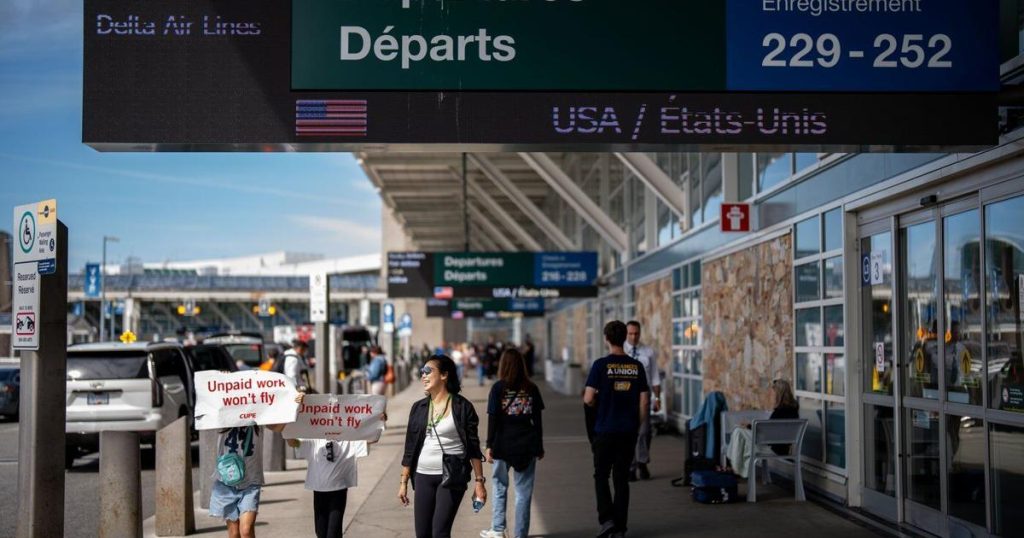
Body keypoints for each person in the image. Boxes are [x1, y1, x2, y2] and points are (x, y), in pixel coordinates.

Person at [398, 354, 487, 538]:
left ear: (444, 375)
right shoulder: (419, 408)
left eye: (428, 371)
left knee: (440, 532)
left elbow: (473, 447)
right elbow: (410, 448)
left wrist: (479, 482)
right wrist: (403, 482)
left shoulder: (463, 407)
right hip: (422, 475)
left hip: (452, 475)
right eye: (422, 372)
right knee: (422, 533)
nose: (423, 375)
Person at [583, 321, 650, 538]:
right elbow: (644, 403)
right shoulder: (636, 366)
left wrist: (600, 404)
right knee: (621, 478)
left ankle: (607, 520)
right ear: (625, 338)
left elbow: (588, 398)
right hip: (628, 431)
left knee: (601, 475)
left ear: (606, 339)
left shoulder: (600, 365)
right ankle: (620, 527)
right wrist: (637, 425)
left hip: (604, 430)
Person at [209, 394, 303, 538]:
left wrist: (294, 404)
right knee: (234, 534)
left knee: (246, 530)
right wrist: (222, 383)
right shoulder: (222, 415)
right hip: (226, 481)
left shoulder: (258, 416)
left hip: (251, 482)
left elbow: (278, 426)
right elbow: (208, 404)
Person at [287, 408, 387, 538]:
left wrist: (380, 422)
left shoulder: (348, 440)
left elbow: (372, 438)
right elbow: (294, 442)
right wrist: (287, 426)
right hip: (319, 491)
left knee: (333, 532)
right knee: (320, 532)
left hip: (338, 491)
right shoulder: (314, 440)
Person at [480, 348, 545, 538]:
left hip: (502, 444)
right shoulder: (531, 388)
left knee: (499, 487)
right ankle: (520, 534)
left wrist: (489, 445)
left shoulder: (498, 388)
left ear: (503, 365)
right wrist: (539, 446)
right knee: (523, 493)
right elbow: (538, 421)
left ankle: (498, 529)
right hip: (526, 444)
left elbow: (493, 418)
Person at [725, 379, 800, 479]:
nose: (772, 395)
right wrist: (749, 426)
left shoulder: (779, 412)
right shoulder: (793, 411)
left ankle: (734, 466)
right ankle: (736, 467)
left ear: (778, 394)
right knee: (741, 435)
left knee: (738, 431)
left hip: (773, 449)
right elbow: (771, 430)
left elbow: (766, 433)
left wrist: (748, 426)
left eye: (773, 393)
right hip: (782, 448)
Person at [624, 321, 661, 481]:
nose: (633, 336)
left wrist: (657, 397)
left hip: (643, 397)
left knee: (644, 432)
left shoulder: (648, 352)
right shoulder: (620, 351)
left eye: (636, 333)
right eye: (630, 333)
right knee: (628, 433)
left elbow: (654, 376)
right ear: (626, 334)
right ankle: (631, 467)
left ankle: (642, 462)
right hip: (625, 397)